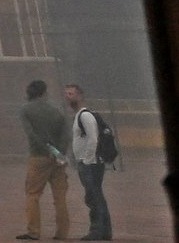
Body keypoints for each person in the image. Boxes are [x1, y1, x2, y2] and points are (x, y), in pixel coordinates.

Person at [18, 77, 73, 238]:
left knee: (33, 195)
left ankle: (34, 231)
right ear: (44, 93)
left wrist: (48, 149)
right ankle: (62, 232)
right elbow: (66, 135)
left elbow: (31, 134)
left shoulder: (26, 109)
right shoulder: (56, 110)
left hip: (39, 157)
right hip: (58, 160)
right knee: (60, 197)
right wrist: (60, 153)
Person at [64, 83, 112, 238]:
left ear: (80, 95)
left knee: (93, 197)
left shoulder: (85, 115)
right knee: (96, 195)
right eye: (67, 94)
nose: (68, 97)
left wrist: (87, 159)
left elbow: (93, 138)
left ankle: (97, 231)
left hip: (90, 163)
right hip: (88, 162)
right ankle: (104, 231)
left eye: (72, 94)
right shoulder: (79, 115)